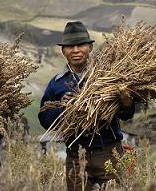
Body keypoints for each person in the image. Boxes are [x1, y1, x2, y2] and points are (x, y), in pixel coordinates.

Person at [38, 21, 135, 190]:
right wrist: (63, 109)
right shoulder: (56, 83)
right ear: (63, 51)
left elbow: (127, 115)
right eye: (70, 46)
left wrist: (127, 102)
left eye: (81, 45)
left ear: (90, 47)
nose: (75, 50)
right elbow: (44, 119)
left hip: (109, 153)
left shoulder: (108, 77)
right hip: (76, 157)